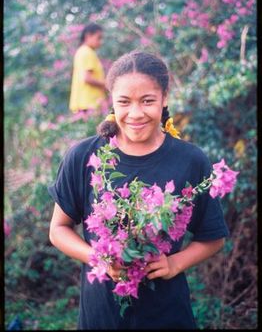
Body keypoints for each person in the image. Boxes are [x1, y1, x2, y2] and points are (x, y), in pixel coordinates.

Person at [48, 51, 230, 330]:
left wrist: (175, 264)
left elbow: (213, 237)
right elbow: (58, 229)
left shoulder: (190, 160)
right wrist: (99, 257)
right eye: (124, 102)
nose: (135, 113)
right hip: (101, 317)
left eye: (147, 101)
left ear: (165, 97)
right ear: (111, 100)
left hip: (167, 315)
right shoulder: (84, 156)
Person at [69, 23, 107, 113]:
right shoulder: (87, 52)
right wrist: (106, 84)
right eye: (98, 38)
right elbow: (87, 78)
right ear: (88, 36)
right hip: (89, 103)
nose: (100, 42)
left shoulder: (81, 51)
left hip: (83, 103)